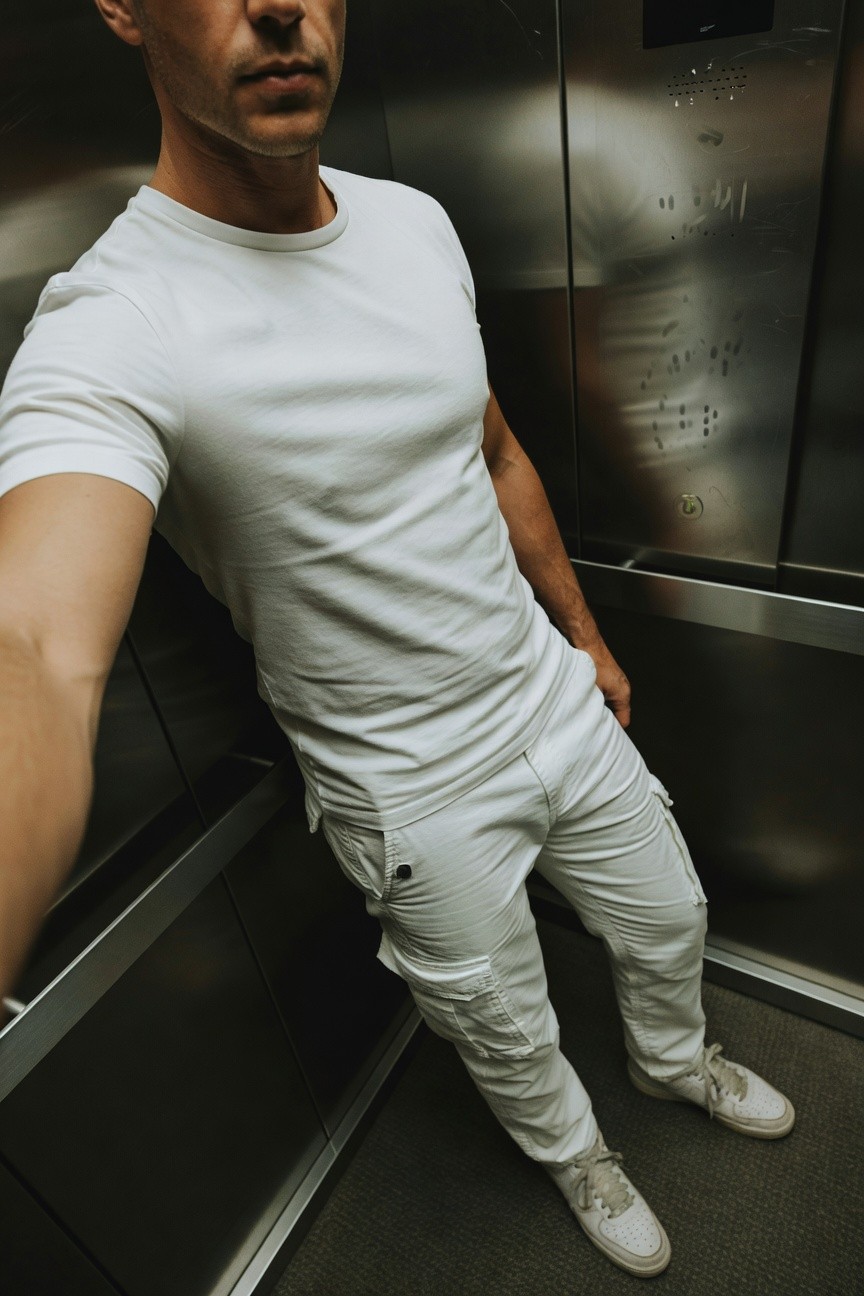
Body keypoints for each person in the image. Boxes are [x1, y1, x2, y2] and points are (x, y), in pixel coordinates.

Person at [0, 0, 794, 1279]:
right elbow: (32, 641)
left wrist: (582, 637)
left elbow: (488, 449)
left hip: (546, 703)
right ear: (121, 10)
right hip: (408, 788)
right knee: (506, 1026)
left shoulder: (411, 221)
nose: (277, 9)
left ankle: (670, 1060)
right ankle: (580, 1156)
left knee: (669, 919)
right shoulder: (112, 320)